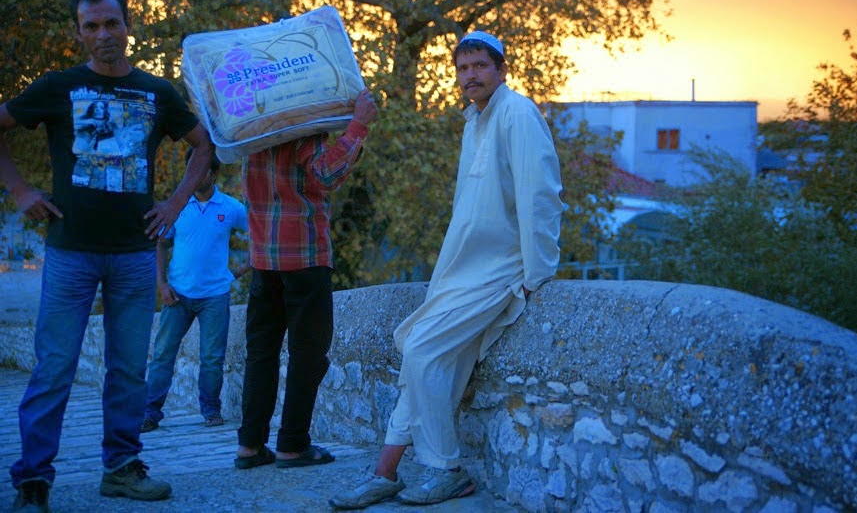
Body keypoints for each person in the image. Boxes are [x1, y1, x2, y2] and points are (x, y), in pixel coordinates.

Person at [0, 0, 213, 512]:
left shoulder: (157, 92)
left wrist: (174, 204)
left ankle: (121, 467)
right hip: (71, 252)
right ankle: (33, 481)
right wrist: (20, 189)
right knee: (54, 367)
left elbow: (204, 146)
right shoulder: (57, 86)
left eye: (111, 23)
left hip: (136, 255)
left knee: (128, 368)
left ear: (128, 25)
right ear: (80, 32)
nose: (103, 34)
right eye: (90, 26)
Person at [329, 31, 564, 509]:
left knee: (419, 350)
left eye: (480, 65)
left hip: (501, 271)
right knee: (428, 364)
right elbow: (468, 208)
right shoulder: (472, 122)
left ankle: (446, 470)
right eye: (463, 68)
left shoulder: (518, 114)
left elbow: (540, 196)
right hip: (462, 269)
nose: (470, 75)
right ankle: (385, 472)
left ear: (501, 69)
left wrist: (537, 273)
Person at [233, 87, 378, 471]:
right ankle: (293, 445)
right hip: (305, 256)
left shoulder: (250, 127)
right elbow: (326, 173)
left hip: (264, 258)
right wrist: (358, 124)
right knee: (307, 355)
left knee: (261, 354)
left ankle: (250, 446)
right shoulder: (302, 126)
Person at [141, 149, 249, 433]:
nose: (192, 175)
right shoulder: (177, 207)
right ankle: (150, 413)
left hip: (215, 295)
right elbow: (161, 244)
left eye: (198, 169)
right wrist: (162, 285)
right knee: (164, 353)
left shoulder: (231, 208)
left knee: (213, 357)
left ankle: (211, 410)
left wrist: (238, 272)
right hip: (177, 295)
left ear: (213, 174)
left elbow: (260, 234)